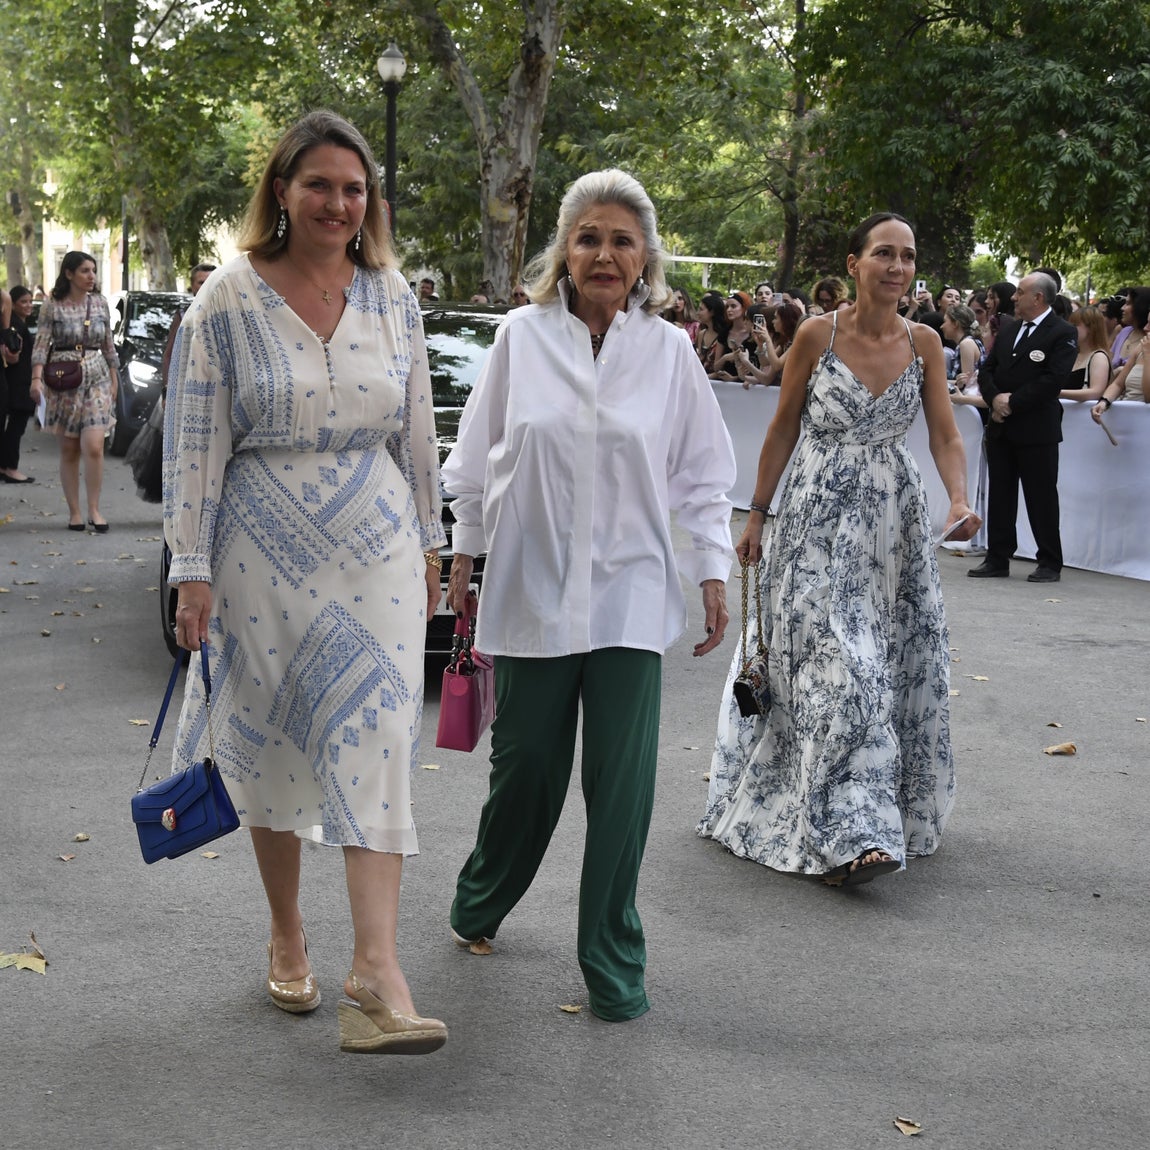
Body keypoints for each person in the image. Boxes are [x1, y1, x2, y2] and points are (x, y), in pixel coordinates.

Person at [163, 110, 448, 1055]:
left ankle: (378, 971)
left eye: (354, 188)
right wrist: (190, 571)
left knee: (377, 731)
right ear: (281, 191)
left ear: (373, 203)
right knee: (275, 741)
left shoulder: (392, 295)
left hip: (377, 546)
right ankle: (288, 930)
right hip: (259, 548)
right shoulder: (227, 302)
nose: (337, 202)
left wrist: (433, 541)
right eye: (319, 184)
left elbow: (417, 432)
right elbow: (194, 443)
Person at [441, 168, 737, 1021]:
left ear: (644, 257)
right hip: (532, 586)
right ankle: (481, 898)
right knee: (526, 770)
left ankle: (613, 958)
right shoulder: (520, 338)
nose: (604, 254)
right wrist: (467, 549)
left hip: (631, 594)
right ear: (563, 252)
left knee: (623, 786)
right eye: (587, 237)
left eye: (621, 239)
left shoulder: (670, 352)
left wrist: (711, 568)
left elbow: (702, 475)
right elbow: (477, 453)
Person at [699, 211, 978, 887]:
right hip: (815, 519)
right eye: (884, 253)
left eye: (908, 256)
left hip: (893, 526)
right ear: (854, 264)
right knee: (840, 668)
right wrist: (757, 515)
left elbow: (944, 434)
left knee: (884, 664)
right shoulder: (816, 335)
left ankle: (867, 816)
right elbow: (782, 427)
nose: (898, 266)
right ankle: (851, 833)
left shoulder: (926, 344)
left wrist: (960, 498)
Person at [971, 272, 1077, 583]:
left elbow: (1053, 380)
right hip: (1002, 427)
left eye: (1020, 292)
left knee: (1041, 496)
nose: (1014, 298)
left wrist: (1011, 402)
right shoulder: (1009, 329)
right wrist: (995, 399)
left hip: (1036, 428)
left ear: (1039, 298)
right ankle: (997, 557)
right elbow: (987, 368)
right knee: (1001, 494)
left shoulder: (1062, 332)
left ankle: (1049, 561)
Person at [30, 251, 121, 532]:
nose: (91, 276)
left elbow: (108, 343)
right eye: (84, 270)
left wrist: (115, 375)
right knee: (69, 448)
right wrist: (36, 379)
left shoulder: (100, 304)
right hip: (64, 378)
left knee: (94, 445)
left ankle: (94, 508)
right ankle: (75, 512)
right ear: (68, 274)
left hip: (98, 376)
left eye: (93, 270)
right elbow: (42, 344)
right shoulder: (52, 305)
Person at [1, 286, 40, 483]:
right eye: (23, 302)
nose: (28, 305)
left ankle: (4, 466)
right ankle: (10, 468)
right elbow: (14, 354)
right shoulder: (15, 327)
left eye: (30, 301)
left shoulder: (19, 325)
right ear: (12, 304)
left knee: (13, 426)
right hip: (19, 382)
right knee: (16, 426)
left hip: (16, 380)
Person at [160, 262, 216, 391]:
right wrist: (167, 390)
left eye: (211, 281)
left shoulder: (227, 315)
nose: (206, 286)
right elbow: (169, 355)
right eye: (201, 282)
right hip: (188, 388)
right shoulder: (183, 315)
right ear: (193, 286)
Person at [1060, 304, 1111, 402]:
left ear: (1091, 328)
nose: (1069, 329)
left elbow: (1096, 392)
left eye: (1075, 325)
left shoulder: (1099, 357)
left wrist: (1057, 392)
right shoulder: (1073, 354)